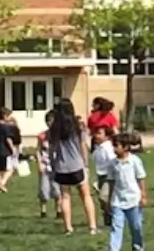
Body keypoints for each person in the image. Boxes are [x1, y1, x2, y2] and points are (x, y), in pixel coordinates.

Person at [48, 99, 99, 235]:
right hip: (77, 165)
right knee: (86, 195)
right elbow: (83, 146)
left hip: (61, 166)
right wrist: (86, 163)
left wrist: (53, 165)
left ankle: (68, 228)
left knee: (65, 196)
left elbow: (51, 150)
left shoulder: (53, 129)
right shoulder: (78, 126)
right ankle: (92, 227)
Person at [106, 133, 147, 251]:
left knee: (136, 226)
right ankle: (114, 249)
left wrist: (143, 195)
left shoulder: (134, 161)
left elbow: (141, 178)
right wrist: (109, 198)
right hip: (118, 199)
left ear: (125, 147)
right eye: (113, 145)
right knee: (116, 225)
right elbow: (111, 181)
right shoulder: (113, 163)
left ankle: (137, 246)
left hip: (133, 199)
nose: (114, 148)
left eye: (116, 146)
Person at [36, 111, 61, 217]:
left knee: (57, 190)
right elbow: (38, 150)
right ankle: (43, 210)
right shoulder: (42, 136)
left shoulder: (60, 136)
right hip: (45, 165)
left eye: (52, 121)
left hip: (57, 166)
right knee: (43, 189)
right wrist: (40, 163)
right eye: (48, 121)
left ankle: (59, 210)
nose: (50, 123)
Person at [92, 126, 116, 228]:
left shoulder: (108, 148)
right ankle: (108, 219)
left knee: (104, 197)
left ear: (107, 136)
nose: (96, 135)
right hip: (100, 175)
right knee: (103, 201)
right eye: (96, 133)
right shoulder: (98, 147)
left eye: (99, 133)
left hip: (108, 176)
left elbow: (113, 161)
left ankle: (113, 215)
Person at [0, 108, 20, 193]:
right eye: (9, 115)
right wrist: (12, 149)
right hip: (5, 151)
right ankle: (2, 184)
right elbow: (8, 139)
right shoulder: (6, 128)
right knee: (10, 170)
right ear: (4, 116)